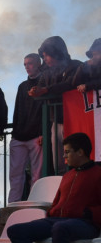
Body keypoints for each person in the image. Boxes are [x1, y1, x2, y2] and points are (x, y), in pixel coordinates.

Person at [7, 132, 101, 243]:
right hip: (57, 220)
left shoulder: (98, 174)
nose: (64, 156)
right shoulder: (67, 176)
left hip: (85, 223)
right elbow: (57, 201)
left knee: (60, 228)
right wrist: (51, 212)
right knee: (15, 231)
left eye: (67, 152)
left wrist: (88, 213)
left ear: (80, 152)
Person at [30, 36, 83, 173]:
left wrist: (47, 90)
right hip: (56, 122)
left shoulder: (76, 66)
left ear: (57, 53)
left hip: (74, 120)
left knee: (76, 161)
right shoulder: (47, 73)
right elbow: (40, 87)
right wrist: (35, 91)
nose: (45, 59)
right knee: (58, 163)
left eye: (47, 55)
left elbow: (70, 84)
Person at [9, 53, 45, 203]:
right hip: (19, 135)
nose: (27, 67)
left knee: (37, 174)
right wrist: (14, 134)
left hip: (36, 135)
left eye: (30, 63)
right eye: (25, 64)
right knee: (15, 174)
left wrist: (43, 132)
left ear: (38, 64)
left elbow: (46, 109)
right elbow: (17, 110)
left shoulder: (45, 82)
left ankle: (34, 203)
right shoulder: (22, 86)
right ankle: (12, 205)